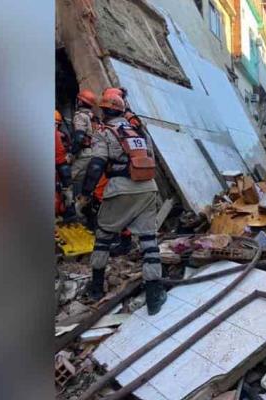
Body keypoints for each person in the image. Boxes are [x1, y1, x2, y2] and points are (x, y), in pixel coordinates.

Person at [78, 89, 166, 315]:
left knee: (104, 237)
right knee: (149, 241)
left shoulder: (104, 132)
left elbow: (97, 164)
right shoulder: (138, 131)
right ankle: (155, 294)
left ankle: (97, 287)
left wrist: (86, 193)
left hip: (120, 189)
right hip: (148, 189)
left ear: (105, 111)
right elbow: (150, 161)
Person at [55, 110, 73, 218]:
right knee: (67, 188)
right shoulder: (63, 135)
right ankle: (68, 210)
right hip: (64, 164)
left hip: (58, 164)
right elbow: (69, 149)